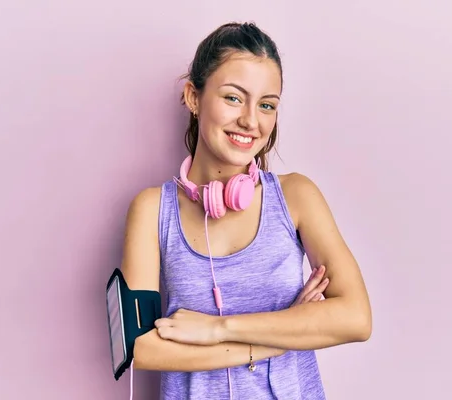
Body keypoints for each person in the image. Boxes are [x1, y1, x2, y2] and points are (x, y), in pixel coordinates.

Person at [120, 21, 372, 400]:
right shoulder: (152, 209)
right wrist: (278, 339)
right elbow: (140, 348)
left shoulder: (297, 197)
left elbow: (356, 318)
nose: (251, 121)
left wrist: (218, 328)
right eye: (234, 98)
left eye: (267, 105)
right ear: (193, 97)